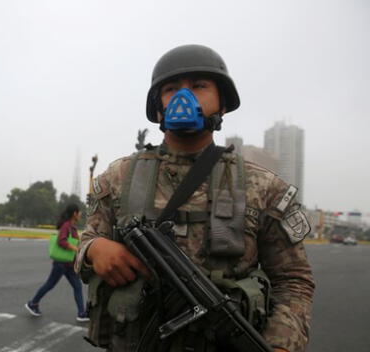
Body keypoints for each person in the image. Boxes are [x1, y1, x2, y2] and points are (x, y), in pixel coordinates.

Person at [76, 45, 315, 352]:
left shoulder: (263, 186)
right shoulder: (118, 176)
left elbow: (293, 281)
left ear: (223, 104)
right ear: (158, 105)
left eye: (199, 86)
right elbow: (84, 244)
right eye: (171, 89)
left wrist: (282, 345)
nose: (182, 98)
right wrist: (95, 250)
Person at [25, 203, 89, 322]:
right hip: (61, 263)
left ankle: (81, 313)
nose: (80, 214)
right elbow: (62, 241)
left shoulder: (72, 226)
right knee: (50, 284)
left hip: (69, 264)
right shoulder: (66, 226)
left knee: (77, 286)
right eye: (79, 212)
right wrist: (75, 249)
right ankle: (33, 303)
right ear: (74, 213)